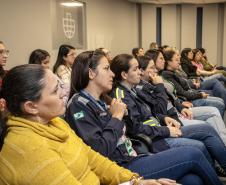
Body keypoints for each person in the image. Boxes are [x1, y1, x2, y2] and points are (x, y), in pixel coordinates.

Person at [0, 64, 178, 185]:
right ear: (31, 107)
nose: (64, 93)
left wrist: (134, 181)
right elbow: (102, 148)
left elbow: (93, 159)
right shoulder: (28, 148)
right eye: (56, 91)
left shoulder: (55, 123)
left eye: (61, 86)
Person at [65, 50, 224, 185]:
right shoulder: (78, 105)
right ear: (91, 73)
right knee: (193, 154)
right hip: (122, 167)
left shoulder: (103, 100)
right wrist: (117, 117)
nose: (112, 73)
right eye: (106, 68)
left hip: (134, 155)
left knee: (192, 179)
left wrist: (161, 119)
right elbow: (100, 150)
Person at [109, 53, 226, 177]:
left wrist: (164, 117)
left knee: (206, 129)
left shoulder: (132, 90)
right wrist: (165, 129)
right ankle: (214, 171)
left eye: (139, 68)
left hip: (161, 129)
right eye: (135, 69)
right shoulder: (121, 95)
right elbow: (136, 128)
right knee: (200, 145)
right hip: (156, 139)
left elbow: (153, 112)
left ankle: (214, 170)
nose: (139, 72)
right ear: (124, 74)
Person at [136, 55, 226, 146]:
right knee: (209, 124)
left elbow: (171, 97)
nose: (163, 61)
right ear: (142, 71)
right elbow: (161, 109)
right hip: (172, 119)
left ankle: (221, 144)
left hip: (178, 109)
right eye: (161, 59)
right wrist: (160, 86)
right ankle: (221, 145)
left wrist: (181, 106)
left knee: (214, 112)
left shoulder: (155, 80)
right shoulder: (149, 85)